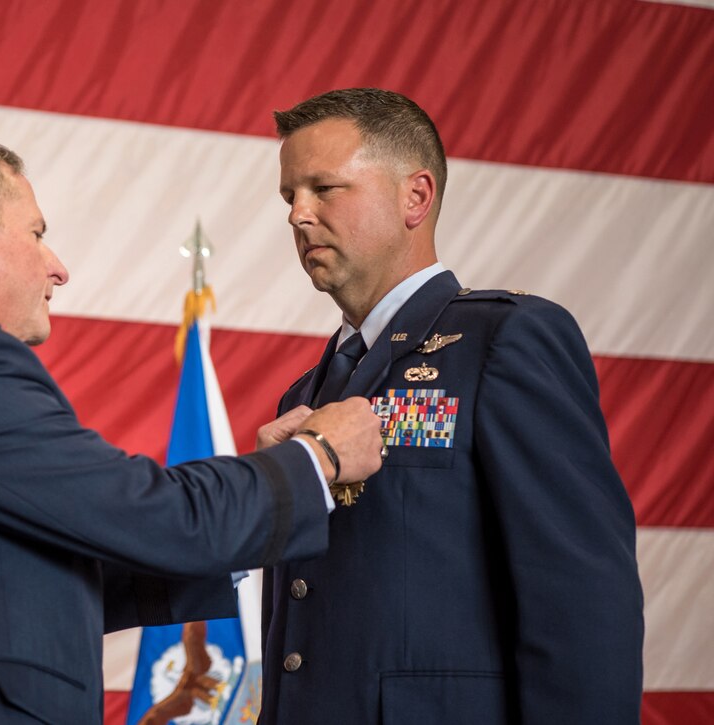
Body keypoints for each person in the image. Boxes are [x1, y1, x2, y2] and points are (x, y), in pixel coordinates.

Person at [0, 133, 384, 724]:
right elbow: (151, 515)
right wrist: (318, 459)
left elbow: (38, 582)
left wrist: (253, 499)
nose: (58, 268)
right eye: (38, 234)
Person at [256, 89, 644, 723]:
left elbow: (582, 599)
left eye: (325, 189)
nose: (298, 215)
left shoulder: (504, 341)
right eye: (288, 196)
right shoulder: (305, 396)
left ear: (417, 197)